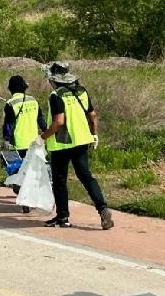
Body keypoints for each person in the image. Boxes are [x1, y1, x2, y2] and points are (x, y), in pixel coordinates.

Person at [40, 62, 113, 230]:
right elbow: (93, 116)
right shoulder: (81, 91)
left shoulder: (56, 95)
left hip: (62, 144)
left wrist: (42, 137)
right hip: (82, 141)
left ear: (53, 80)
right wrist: (94, 134)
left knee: (59, 180)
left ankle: (63, 217)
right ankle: (102, 209)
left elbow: (59, 122)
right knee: (86, 176)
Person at [2, 75, 45, 160]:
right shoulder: (33, 100)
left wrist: (6, 140)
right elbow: (41, 120)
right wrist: (46, 131)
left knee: (21, 171)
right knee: (34, 170)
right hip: (35, 142)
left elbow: (9, 125)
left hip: (19, 144)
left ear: (11, 89)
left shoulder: (10, 103)